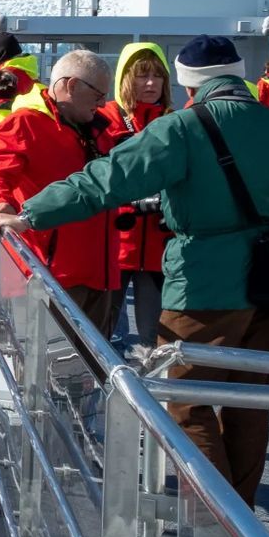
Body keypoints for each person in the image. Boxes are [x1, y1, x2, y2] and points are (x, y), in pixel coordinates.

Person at [0, 35, 269, 507]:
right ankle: (242, 510)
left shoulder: (183, 128)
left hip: (204, 283)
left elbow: (104, 180)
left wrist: (30, 214)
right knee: (248, 403)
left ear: (188, 82)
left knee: (184, 400)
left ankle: (216, 523)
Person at [0, 50, 121, 332]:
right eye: (97, 94)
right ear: (71, 86)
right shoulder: (27, 124)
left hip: (101, 274)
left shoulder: (100, 130)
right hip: (54, 275)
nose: (103, 103)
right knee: (46, 366)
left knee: (94, 367)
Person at [98, 42, 174, 351]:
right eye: (142, 75)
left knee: (156, 339)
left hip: (159, 245)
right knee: (101, 332)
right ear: (125, 79)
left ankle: (152, 393)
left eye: (158, 76)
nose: (151, 83)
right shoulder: (103, 120)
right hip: (114, 245)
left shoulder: (174, 122)